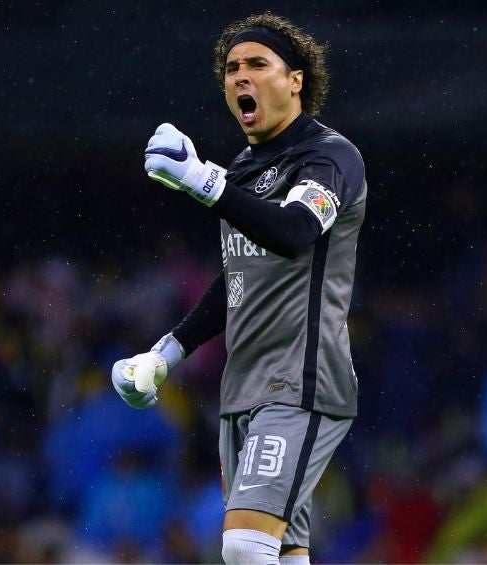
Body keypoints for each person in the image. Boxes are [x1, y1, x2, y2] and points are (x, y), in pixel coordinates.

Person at [111, 11, 367, 565]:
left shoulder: (330, 158)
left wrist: (204, 182)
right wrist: (164, 356)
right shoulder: (244, 169)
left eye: (257, 64)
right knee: (281, 555)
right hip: (244, 391)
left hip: (299, 382)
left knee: (244, 549)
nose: (240, 77)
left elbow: (295, 233)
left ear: (295, 79)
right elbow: (238, 280)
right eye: (231, 68)